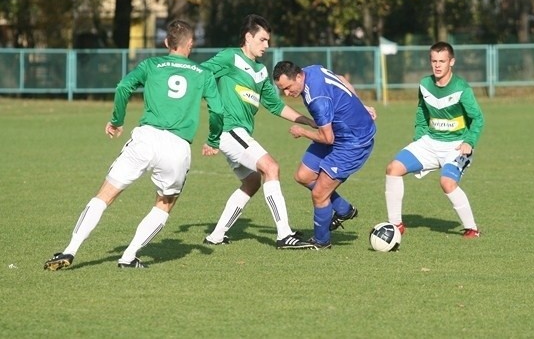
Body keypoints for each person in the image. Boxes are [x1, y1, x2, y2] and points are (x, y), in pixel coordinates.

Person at [44, 19, 224, 270]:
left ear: (165, 43)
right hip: (177, 146)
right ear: (190, 44)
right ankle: (129, 256)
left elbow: (124, 86)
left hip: (145, 138)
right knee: (165, 203)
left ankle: (69, 250)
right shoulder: (203, 74)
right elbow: (218, 111)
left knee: (104, 196)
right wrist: (213, 140)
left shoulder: (151, 64)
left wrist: (117, 120)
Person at [200, 14, 316, 249]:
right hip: (229, 130)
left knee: (252, 183)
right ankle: (284, 234)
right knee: (271, 167)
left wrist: (307, 120)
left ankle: (216, 235)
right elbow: (200, 74)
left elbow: (275, 105)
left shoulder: (261, 71)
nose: (266, 45)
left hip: (240, 133)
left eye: (268, 41)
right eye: (262, 40)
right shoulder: (229, 57)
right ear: (248, 37)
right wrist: (209, 99)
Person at [384, 41, 484, 239]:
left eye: (442, 61)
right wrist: (419, 138)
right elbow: (421, 111)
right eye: (434, 61)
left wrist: (469, 142)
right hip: (429, 143)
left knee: (447, 183)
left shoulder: (462, 88)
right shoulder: (425, 84)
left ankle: (472, 229)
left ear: (451, 62)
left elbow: (478, 118)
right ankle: (395, 226)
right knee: (393, 169)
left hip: (456, 146)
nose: (438, 65)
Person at [272, 61, 377, 249]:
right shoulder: (313, 69)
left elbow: (327, 138)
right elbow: (342, 80)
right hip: (337, 132)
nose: (287, 94)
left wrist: (302, 132)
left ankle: (321, 241)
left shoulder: (317, 99)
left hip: (353, 142)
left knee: (320, 193)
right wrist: (361, 105)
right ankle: (344, 210)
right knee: (303, 176)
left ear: (298, 76)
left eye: (288, 88)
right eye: (282, 90)